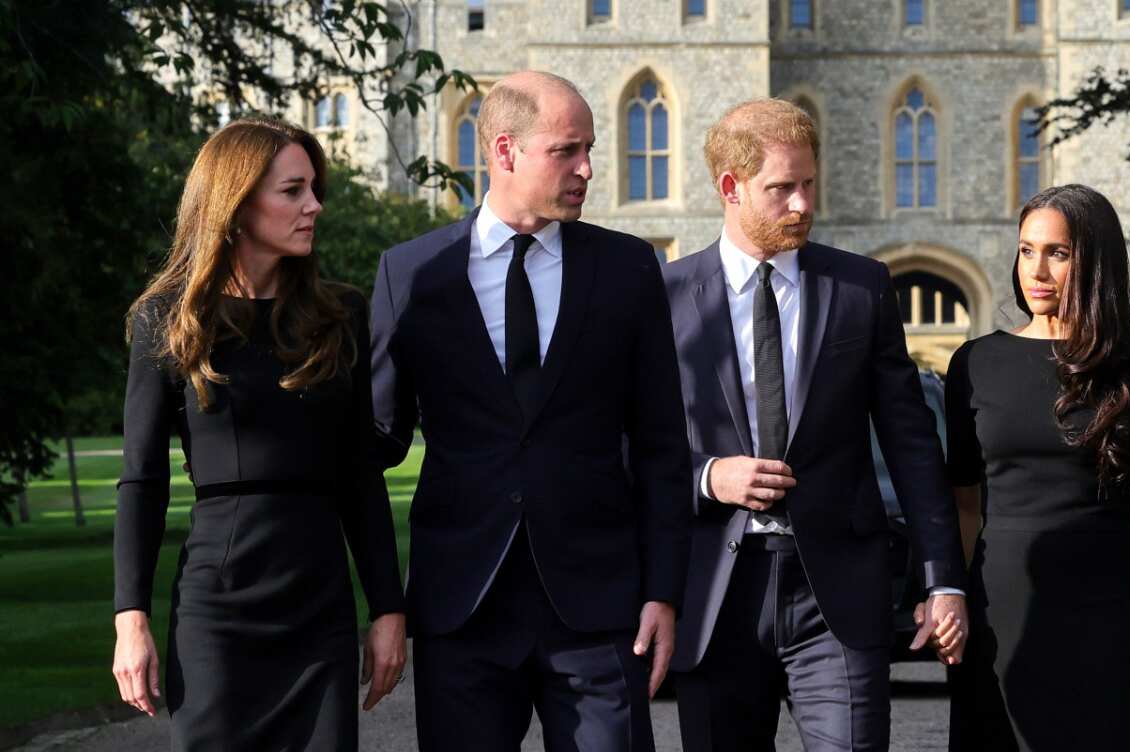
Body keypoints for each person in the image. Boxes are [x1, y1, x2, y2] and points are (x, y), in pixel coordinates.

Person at [368, 71, 692, 751]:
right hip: (463, 608)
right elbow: (377, 441)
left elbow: (663, 445)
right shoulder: (413, 275)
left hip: (600, 613)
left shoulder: (629, 269)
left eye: (590, 150)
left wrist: (663, 592)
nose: (588, 169)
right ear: (506, 151)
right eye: (567, 151)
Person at [661, 98, 969, 752]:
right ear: (730, 187)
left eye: (808, 184)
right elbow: (629, 446)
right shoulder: (664, 299)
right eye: (781, 189)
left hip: (837, 594)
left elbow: (912, 444)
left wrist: (942, 579)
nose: (802, 204)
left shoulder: (861, 288)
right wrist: (710, 476)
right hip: (716, 593)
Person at [111, 118, 406, 750]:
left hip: (320, 605)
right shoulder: (167, 319)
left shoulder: (340, 315)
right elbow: (142, 479)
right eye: (293, 191)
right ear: (238, 204)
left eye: (313, 189)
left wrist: (387, 608)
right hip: (218, 613)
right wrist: (129, 618)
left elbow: (359, 475)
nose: (314, 206)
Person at [943, 184, 1130, 751]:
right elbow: (964, 508)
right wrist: (947, 599)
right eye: (1027, 250)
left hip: (1108, 614)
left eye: (1058, 253)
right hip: (1001, 615)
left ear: (1096, 261)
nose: (1037, 270)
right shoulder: (975, 364)